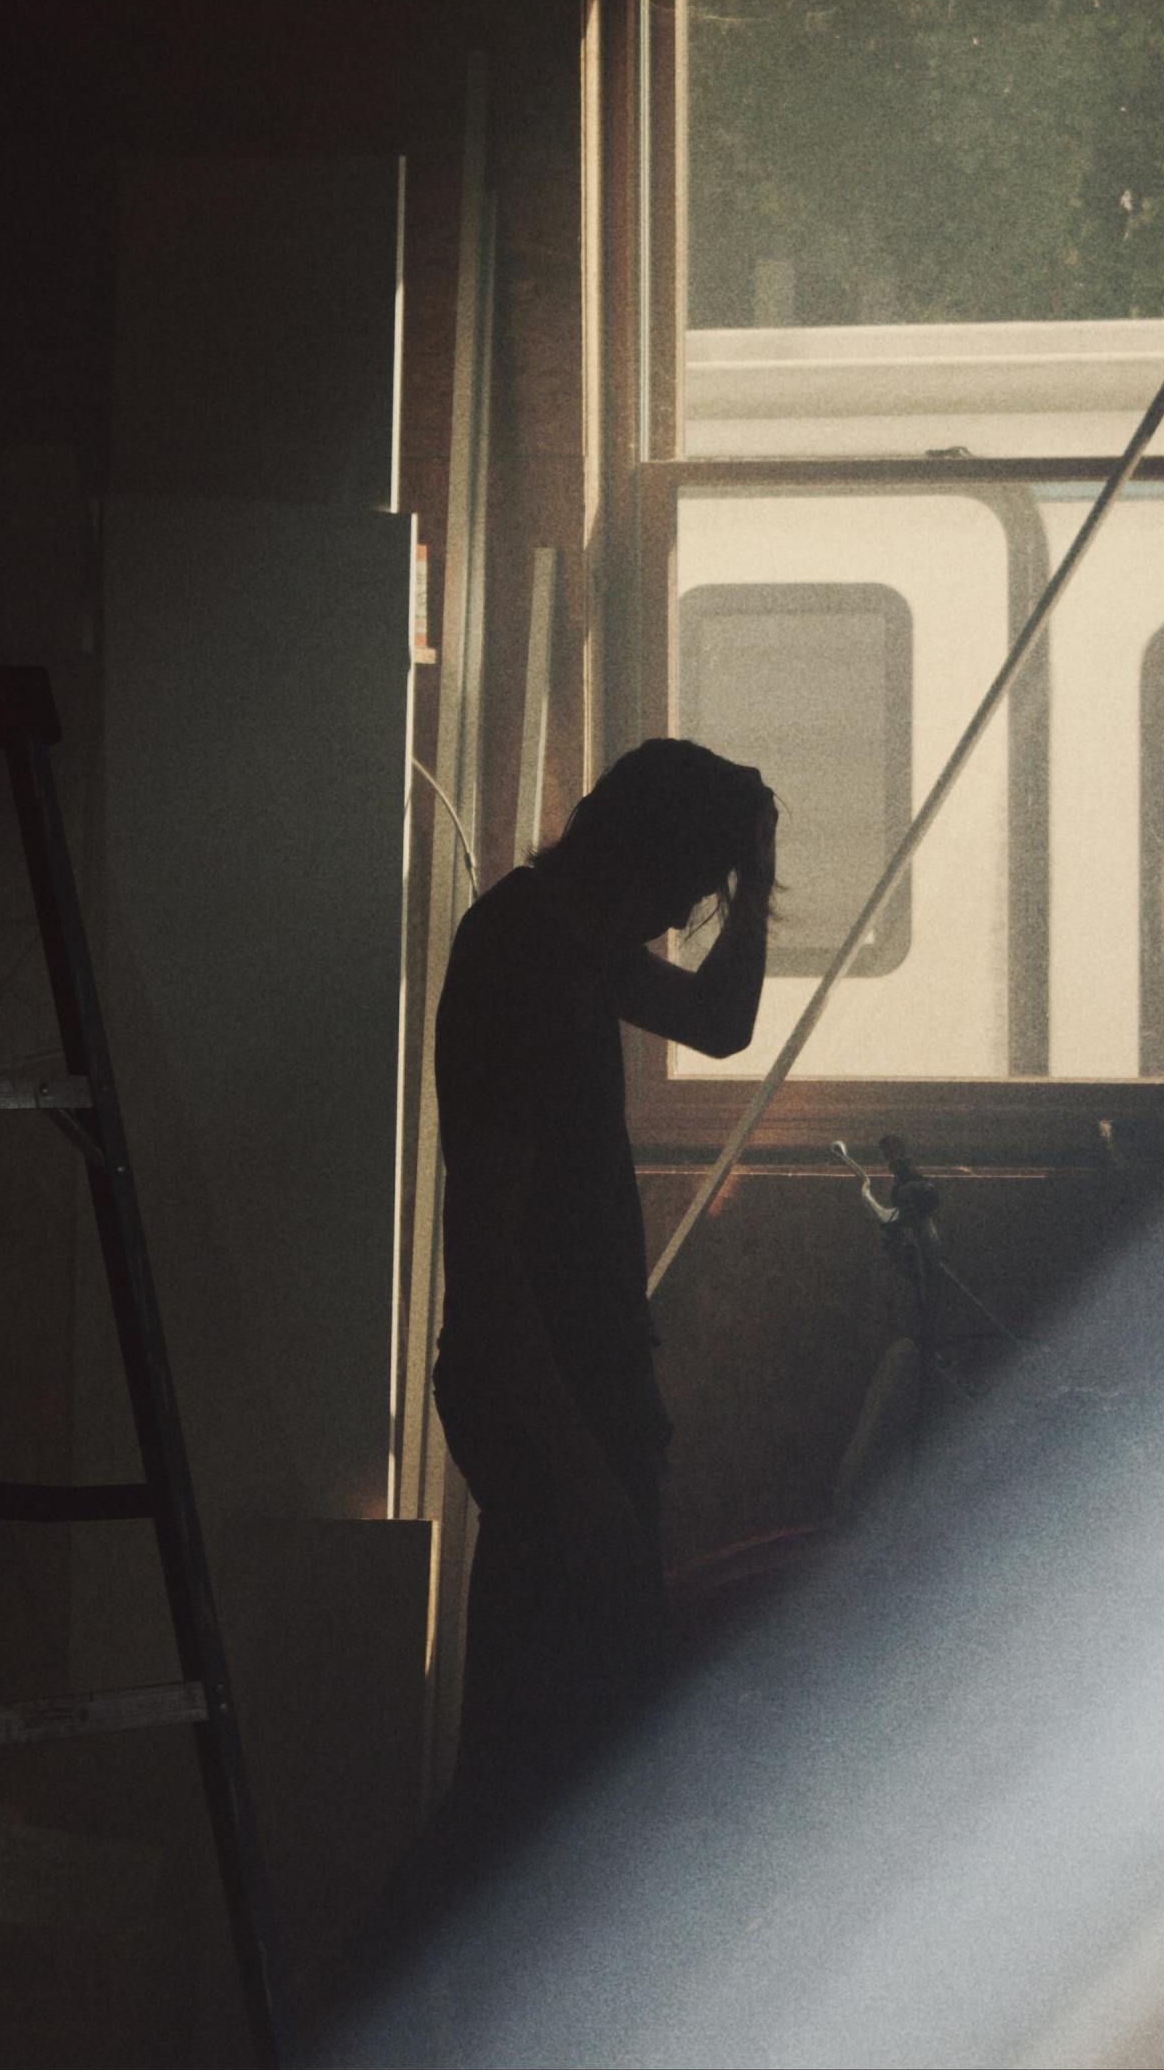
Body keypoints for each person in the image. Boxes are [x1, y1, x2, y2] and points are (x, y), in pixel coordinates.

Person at [430, 737, 778, 1852]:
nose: (684, 913)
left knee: (555, 1721)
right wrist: (579, 1462)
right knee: (563, 1738)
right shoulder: (527, 963)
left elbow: (721, 1025)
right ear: (650, 855)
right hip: (555, 1396)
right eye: (692, 882)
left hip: (568, 1387)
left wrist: (757, 879)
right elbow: (484, 1251)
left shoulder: (565, 944)